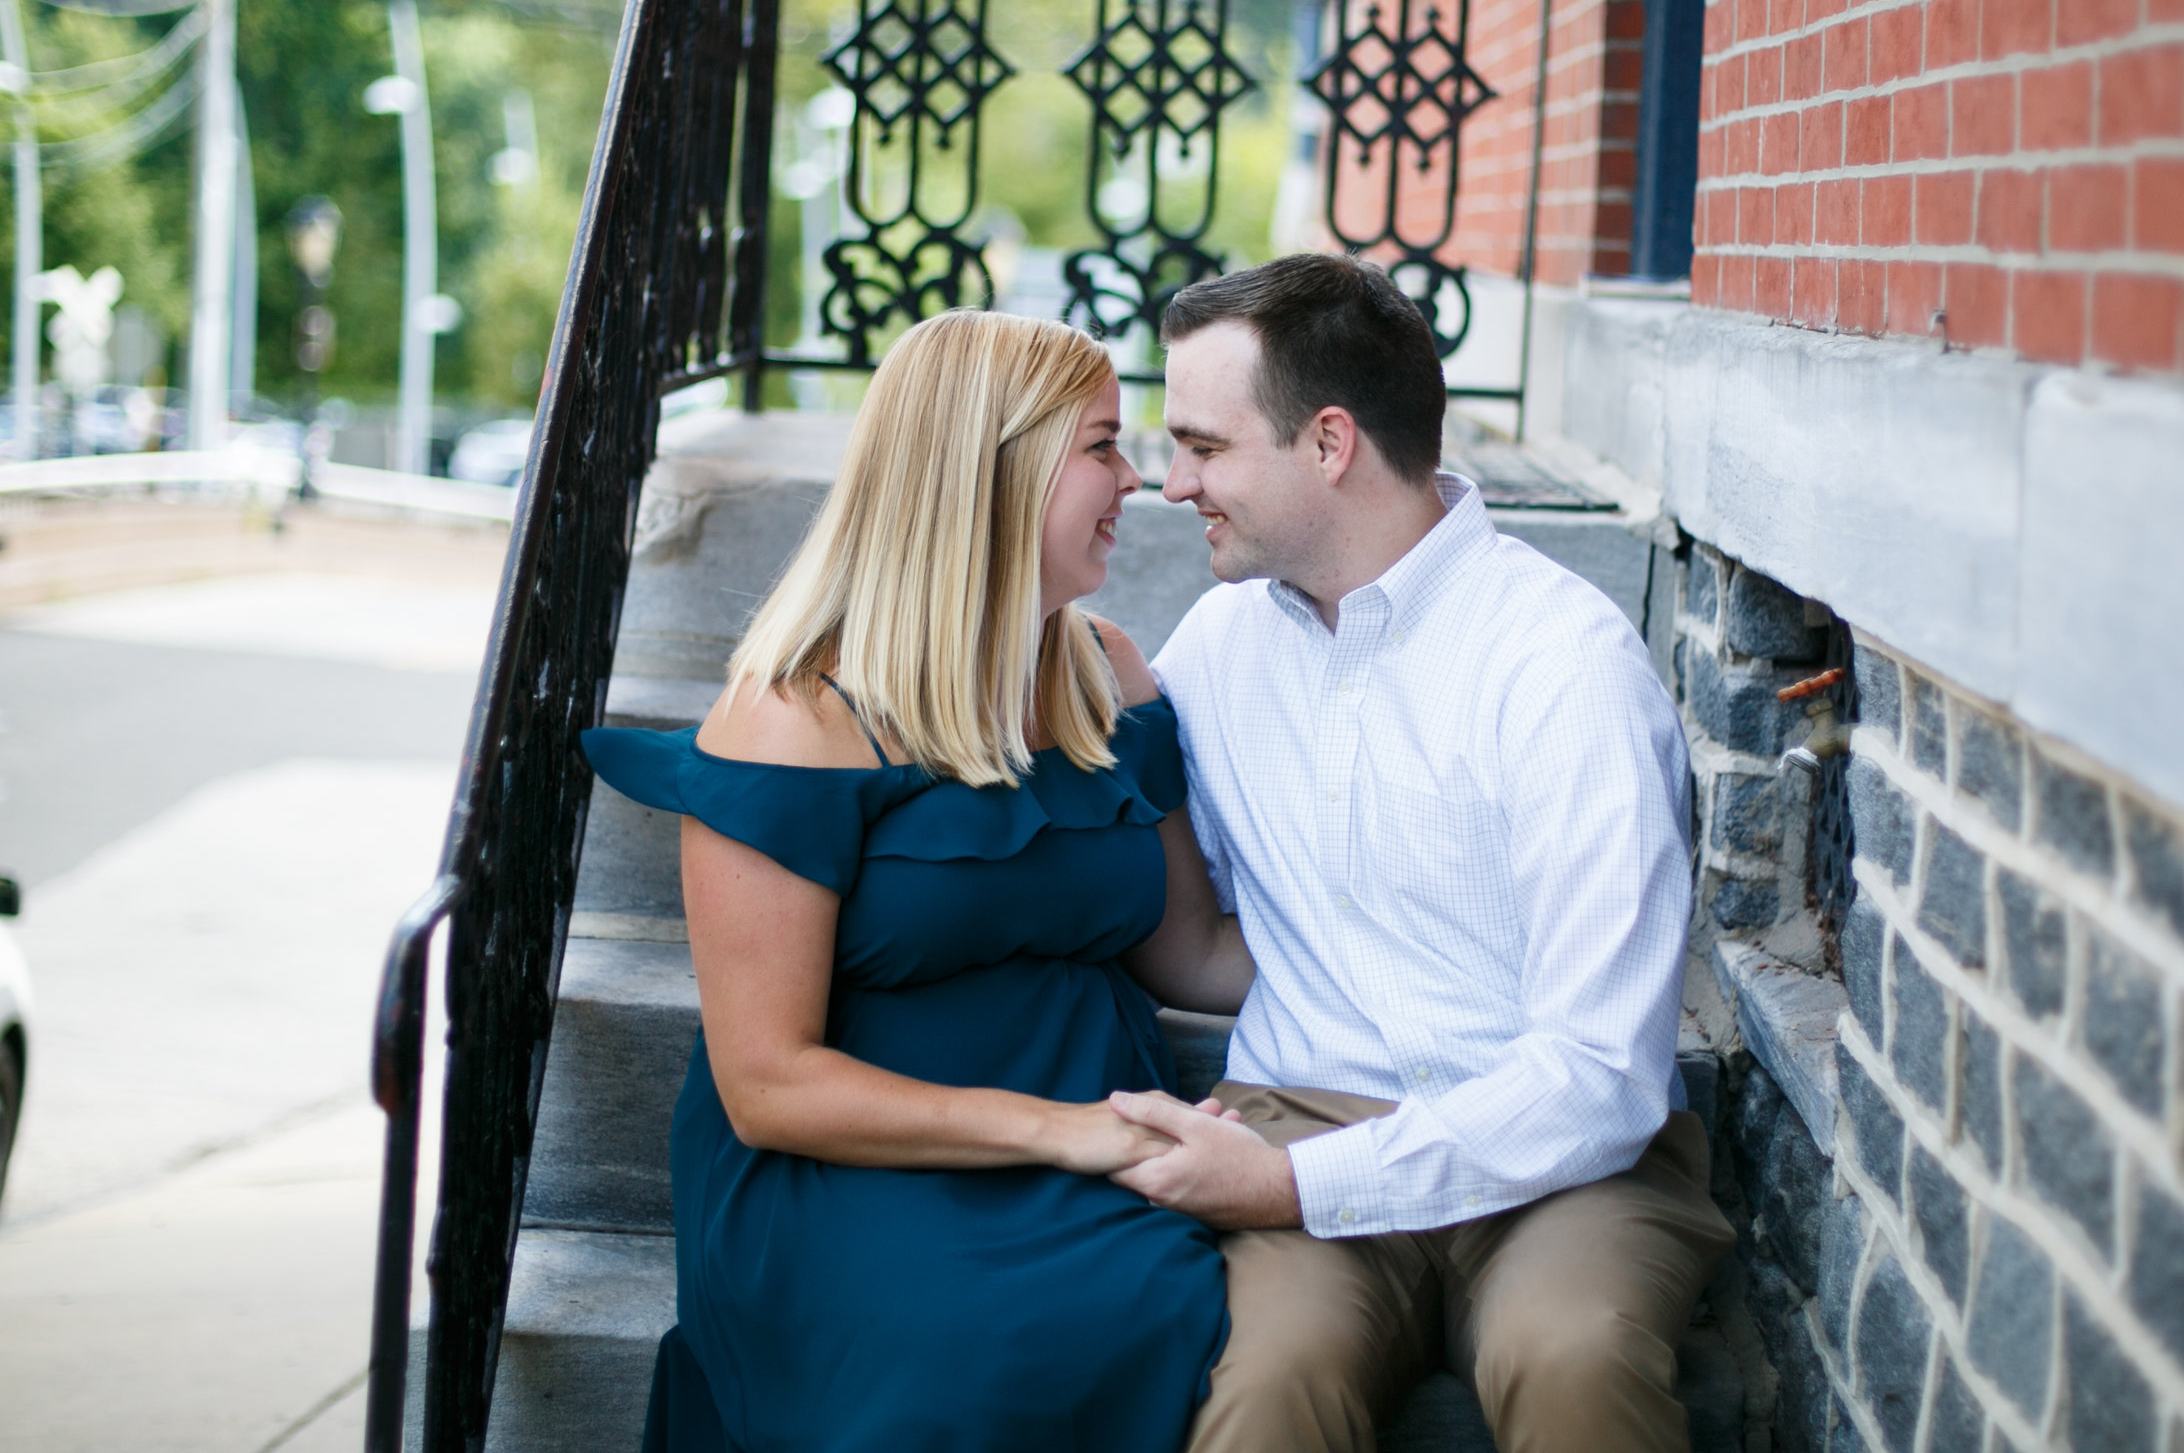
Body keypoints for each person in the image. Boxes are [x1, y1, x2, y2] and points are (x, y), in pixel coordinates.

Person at [580, 311, 1254, 1453]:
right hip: (851, 1167)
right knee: (959, 1366)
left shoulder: (1106, 675)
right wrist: (1058, 1132)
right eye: (1100, 445)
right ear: (989, 470)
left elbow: (1189, 951)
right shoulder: (793, 718)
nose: (1135, 478)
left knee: (1167, 1316)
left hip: (1090, 1143)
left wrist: (1422, 965)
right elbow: (768, 1084)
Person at [1108, 255, 1736, 1453]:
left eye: (1203, 445)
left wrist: (1293, 1188)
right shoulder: (1220, 642)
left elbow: (1601, 1074)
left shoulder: (1562, 667)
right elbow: (1184, 931)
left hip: (1565, 1158)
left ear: (1329, 442)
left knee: (1575, 1360)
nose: (1174, 481)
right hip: (1294, 1112)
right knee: (1260, 1389)